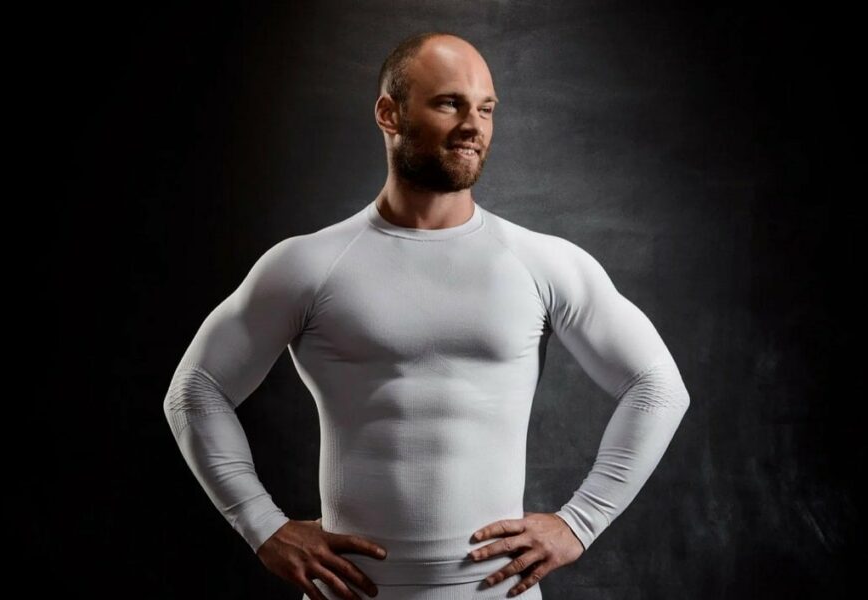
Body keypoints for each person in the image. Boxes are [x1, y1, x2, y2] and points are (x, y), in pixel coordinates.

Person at [162, 31, 691, 600]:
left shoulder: (542, 262)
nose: (473, 125)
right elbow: (194, 391)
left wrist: (580, 522)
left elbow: (658, 388)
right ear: (389, 114)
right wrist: (263, 526)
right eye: (449, 104)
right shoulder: (307, 264)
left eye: (485, 108)